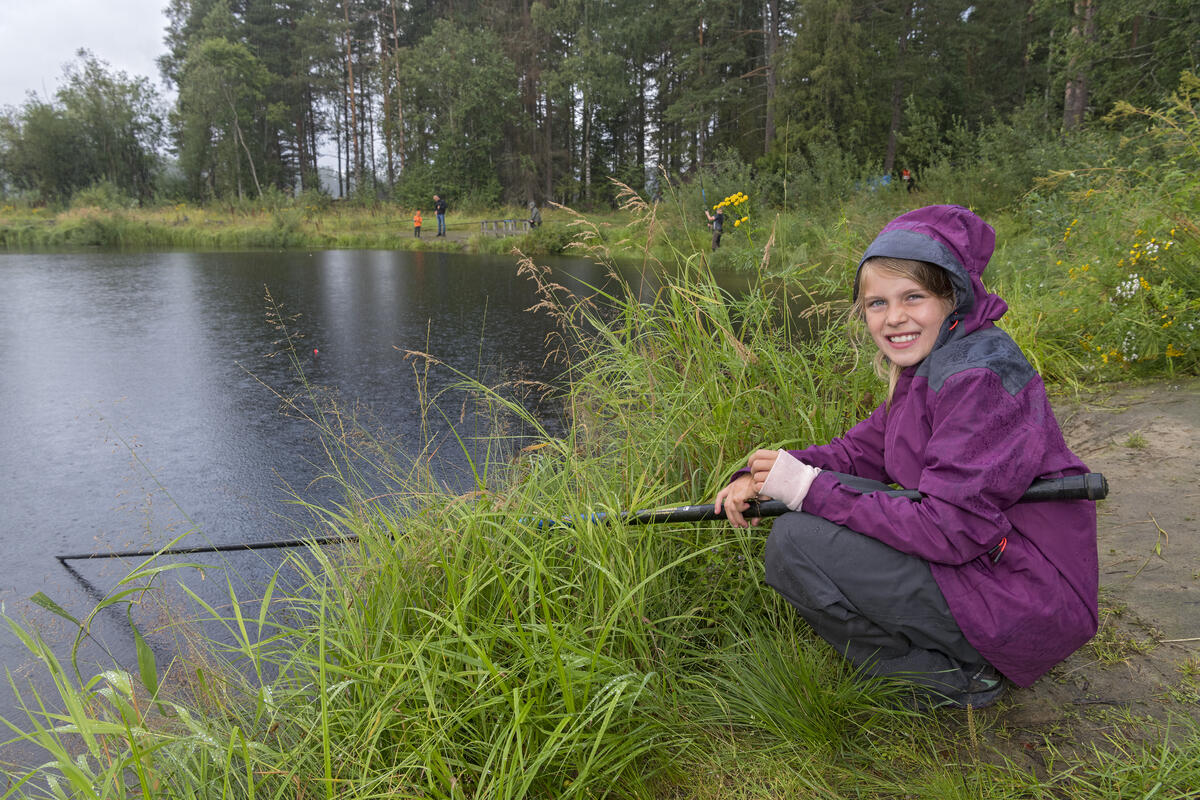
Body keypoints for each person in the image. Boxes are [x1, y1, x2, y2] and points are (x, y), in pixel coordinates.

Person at [714, 205, 1098, 709]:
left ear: (952, 297)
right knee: (812, 512)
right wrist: (762, 475)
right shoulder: (936, 365)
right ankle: (945, 655)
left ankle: (952, 677)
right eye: (877, 303)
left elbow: (949, 529)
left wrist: (808, 489)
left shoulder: (977, 379)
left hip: (1030, 598)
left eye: (912, 297)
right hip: (1001, 573)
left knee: (796, 542)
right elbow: (857, 452)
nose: (893, 317)